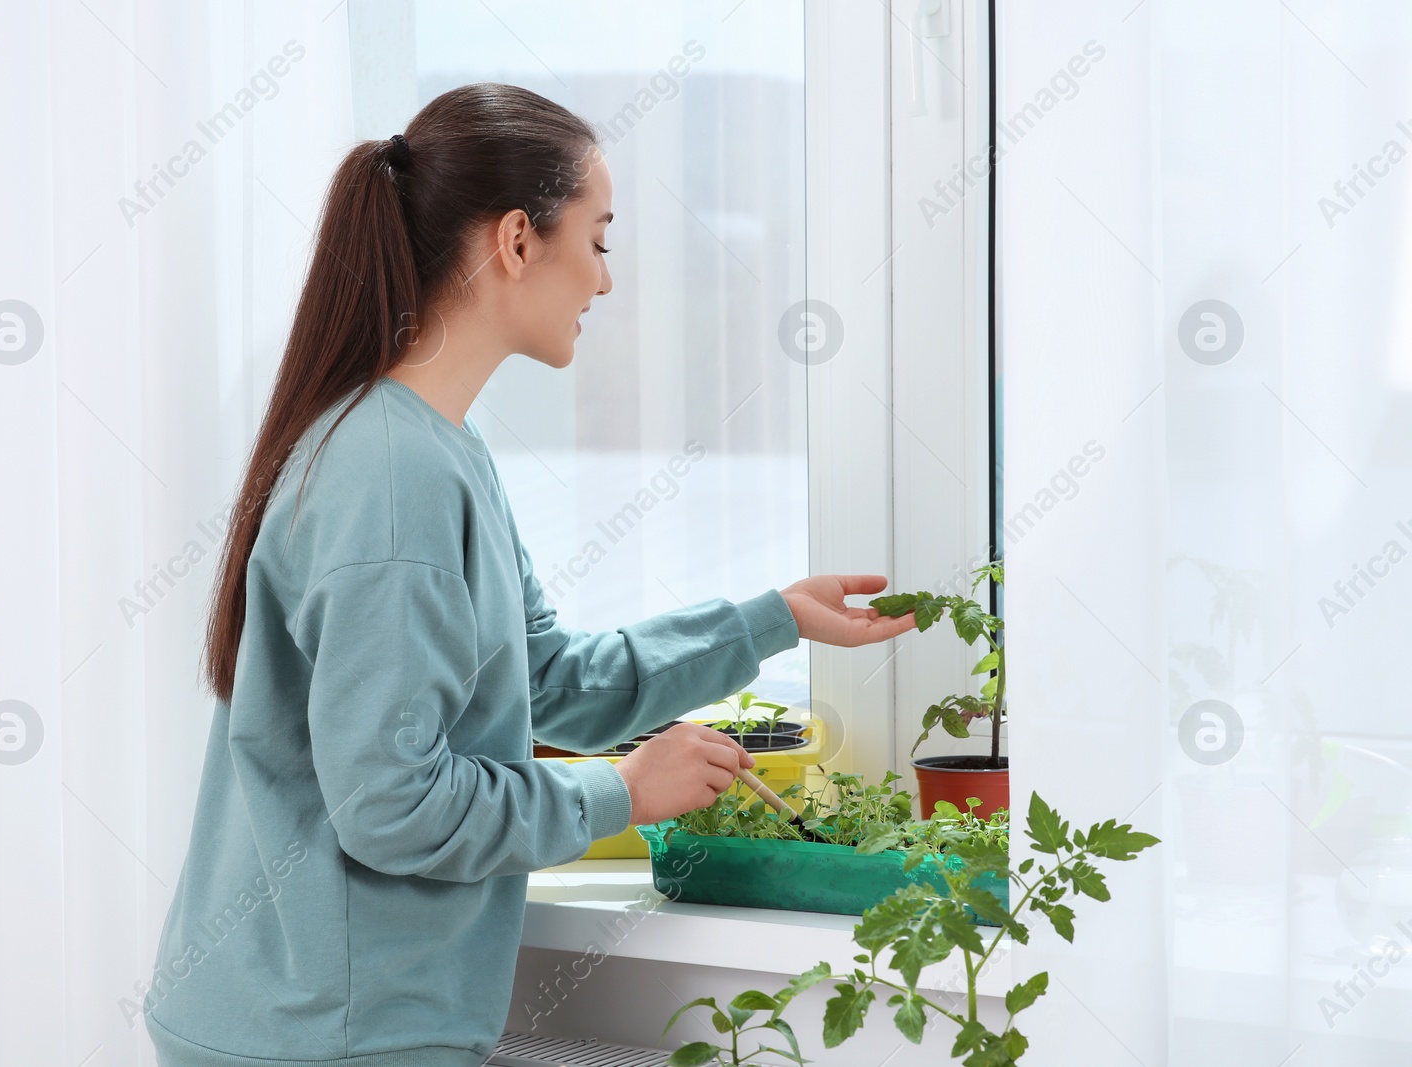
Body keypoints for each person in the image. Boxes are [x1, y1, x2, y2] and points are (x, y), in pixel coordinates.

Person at [143, 82, 917, 1067]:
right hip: (321, 1034)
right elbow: (392, 802)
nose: (602, 280)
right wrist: (621, 792)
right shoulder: (392, 472)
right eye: (596, 239)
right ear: (517, 240)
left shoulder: (436, 447)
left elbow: (546, 678)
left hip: (327, 1019)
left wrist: (768, 620)